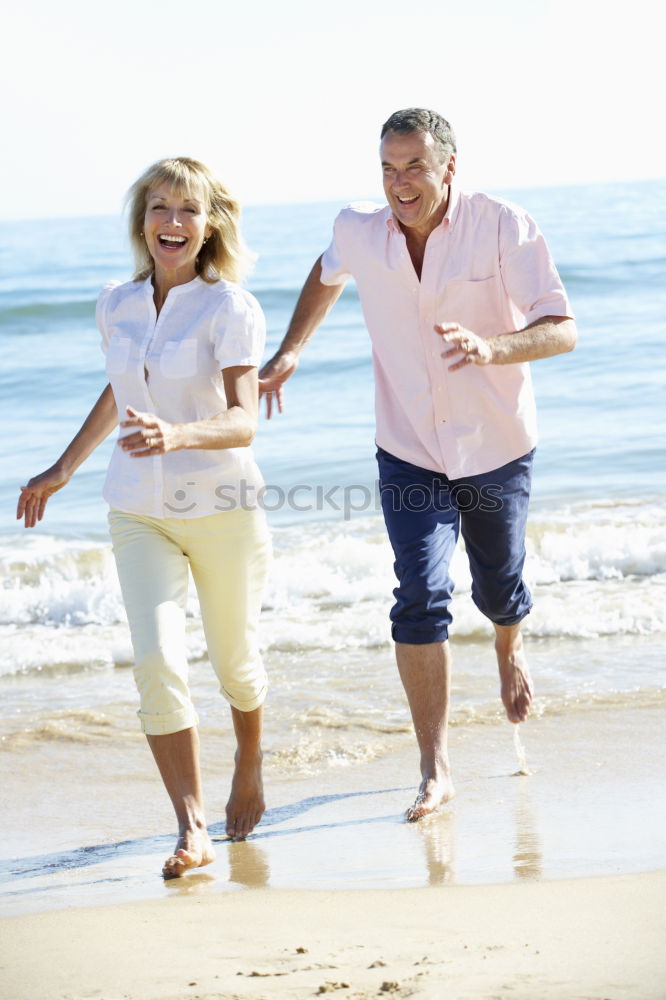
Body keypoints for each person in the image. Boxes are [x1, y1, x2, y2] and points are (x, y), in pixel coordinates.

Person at [259, 108, 577, 822]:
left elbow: (562, 327)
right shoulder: (359, 231)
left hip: (496, 445)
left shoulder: (503, 225)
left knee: (498, 586)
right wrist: (291, 350)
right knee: (420, 596)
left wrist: (494, 348)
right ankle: (434, 769)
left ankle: (507, 643)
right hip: (407, 448)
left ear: (448, 169)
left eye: (415, 167)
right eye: (388, 168)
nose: (400, 183)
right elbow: (325, 271)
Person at [17, 157, 271, 876]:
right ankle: (190, 829)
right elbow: (118, 390)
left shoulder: (231, 308)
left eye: (188, 209)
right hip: (137, 508)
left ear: (211, 224)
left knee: (237, 666)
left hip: (223, 505)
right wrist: (61, 470)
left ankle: (249, 759)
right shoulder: (116, 303)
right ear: (142, 221)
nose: (173, 222)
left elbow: (244, 420)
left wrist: (178, 434)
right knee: (157, 662)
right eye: (159, 207)